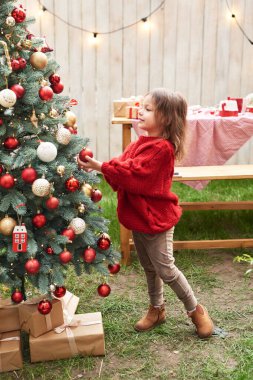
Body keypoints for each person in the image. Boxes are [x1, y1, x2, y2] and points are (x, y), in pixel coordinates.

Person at [78, 88, 214, 338]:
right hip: (138, 218)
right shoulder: (140, 143)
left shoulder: (162, 149)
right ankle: (156, 309)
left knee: (166, 269)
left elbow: (133, 174)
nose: (140, 111)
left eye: (148, 109)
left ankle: (196, 310)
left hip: (157, 219)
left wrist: (100, 166)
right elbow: (121, 166)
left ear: (167, 119)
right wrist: (100, 168)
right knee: (149, 267)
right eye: (142, 107)